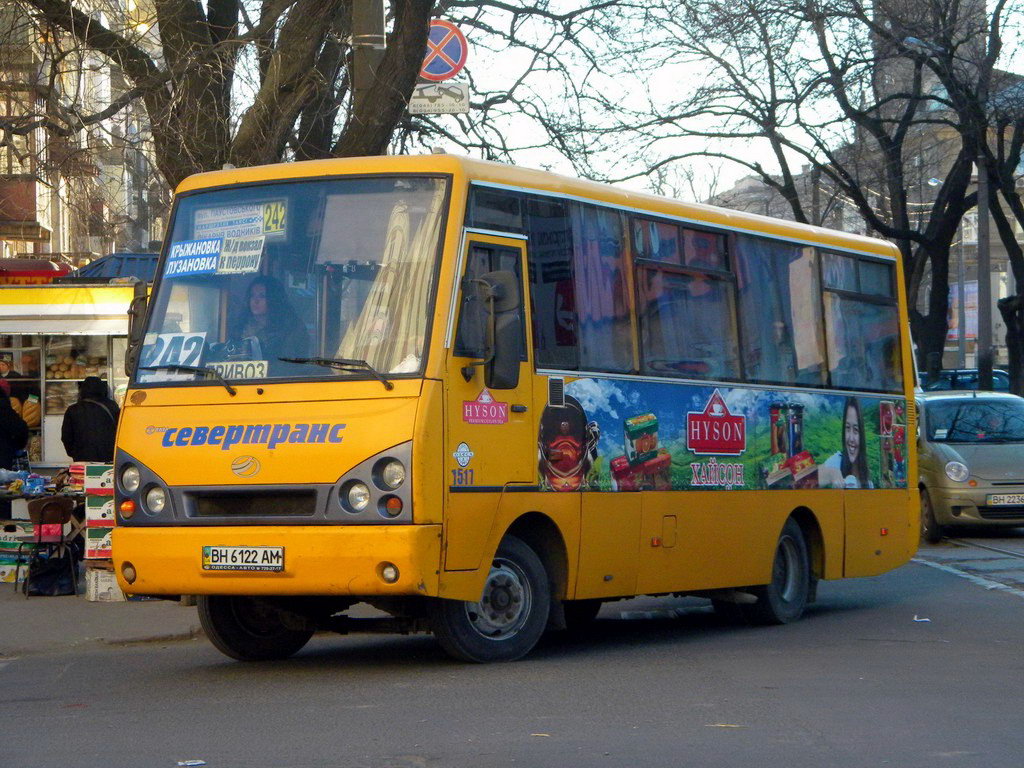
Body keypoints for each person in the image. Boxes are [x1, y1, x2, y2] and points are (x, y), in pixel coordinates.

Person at [229, 276, 310, 366]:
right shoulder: (240, 328)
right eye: (252, 295)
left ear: (274, 299)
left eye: (262, 296)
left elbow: (292, 365)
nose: (256, 301)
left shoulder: (291, 329)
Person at [61, 376, 119, 462]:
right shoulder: (112, 406)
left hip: (82, 458)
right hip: (109, 458)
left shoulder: (73, 410)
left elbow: (66, 437)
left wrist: (74, 453)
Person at [822, 396, 873, 489]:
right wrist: (831, 473)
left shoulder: (868, 481)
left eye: (856, 430)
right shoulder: (837, 461)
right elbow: (810, 478)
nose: (851, 438)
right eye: (848, 428)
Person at [0, 378, 28, 517]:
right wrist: (15, 446)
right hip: (4, 462)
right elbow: (21, 430)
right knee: (3, 501)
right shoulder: (6, 411)